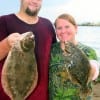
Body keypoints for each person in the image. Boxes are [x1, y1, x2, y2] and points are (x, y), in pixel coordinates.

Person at [0, 0, 57, 100]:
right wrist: (7, 43)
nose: (34, 1)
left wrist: (91, 61)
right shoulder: (3, 21)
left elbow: (56, 55)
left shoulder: (48, 25)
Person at [49, 13, 99, 100]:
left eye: (67, 27)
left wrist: (93, 69)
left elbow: (95, 69)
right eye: (59, 28)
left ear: (76, 28)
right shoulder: (50, 50)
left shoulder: (89, 51)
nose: (63, 31)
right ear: (56, 31)